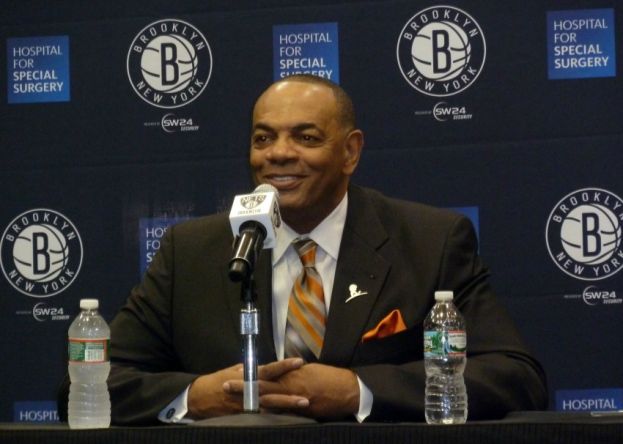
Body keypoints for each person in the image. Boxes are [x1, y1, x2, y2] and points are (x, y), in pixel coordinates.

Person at [60, 74, 547, 425]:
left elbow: (514, 377)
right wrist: (196, 394)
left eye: (306, 137)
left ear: (350, 152)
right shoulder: (192, 251)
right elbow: (83, 386)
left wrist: (357, 391)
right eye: (263, 138)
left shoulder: (430, 241)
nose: (278, 154)